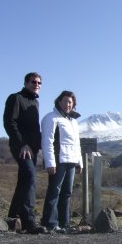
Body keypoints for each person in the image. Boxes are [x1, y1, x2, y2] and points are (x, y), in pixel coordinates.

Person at [3, 72, 47, 234]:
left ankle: (12, 218)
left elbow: (34, 129)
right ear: (26, 82)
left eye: (39, 83)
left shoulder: (35, 103)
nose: (37, 85)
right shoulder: (15, 98)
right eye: (33, 82)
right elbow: (9, 122)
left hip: (33, 149)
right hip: (21, 147)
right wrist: (23, 144)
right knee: (30, 177)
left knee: (24, 180)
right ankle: (29, 221)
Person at [41, 90, 83, 232]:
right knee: (54, 192)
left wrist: (79, 162)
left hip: (71, 160)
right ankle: (50, 223)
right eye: (65, 101)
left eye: (70, 102)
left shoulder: (73, 121)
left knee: (66, 193)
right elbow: (47, 142)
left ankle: (64, 224)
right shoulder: (51, 118)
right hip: (59, 160)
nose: (68, 104)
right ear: (59, 102)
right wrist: (50, 162)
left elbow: (77, 143)